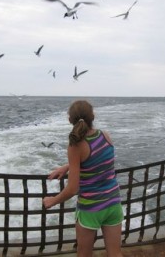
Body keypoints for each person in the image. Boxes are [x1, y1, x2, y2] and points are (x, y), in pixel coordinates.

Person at [43, 100, 123, 257]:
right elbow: (96, 158)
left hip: (91, 209)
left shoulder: (76, 146)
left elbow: (73, 189)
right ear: (92, 116)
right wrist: (68, 166)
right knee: (115, 253)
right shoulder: (105, 136)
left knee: (84, 254)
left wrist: (52, 201)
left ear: (69, 120)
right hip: (113, 202)